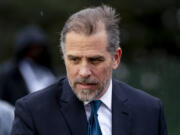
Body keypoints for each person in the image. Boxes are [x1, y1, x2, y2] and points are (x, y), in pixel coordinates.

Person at [11, 5, 168, 135]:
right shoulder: (33, 113)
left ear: (116, 58)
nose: (84, 72)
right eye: (74, 60)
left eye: (95, 60)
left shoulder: (149, 112)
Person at [0, 26, 56, 105]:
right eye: (32, 49)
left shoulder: (47, 71)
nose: (36, 52)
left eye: (39, 48)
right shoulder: (10, 73)